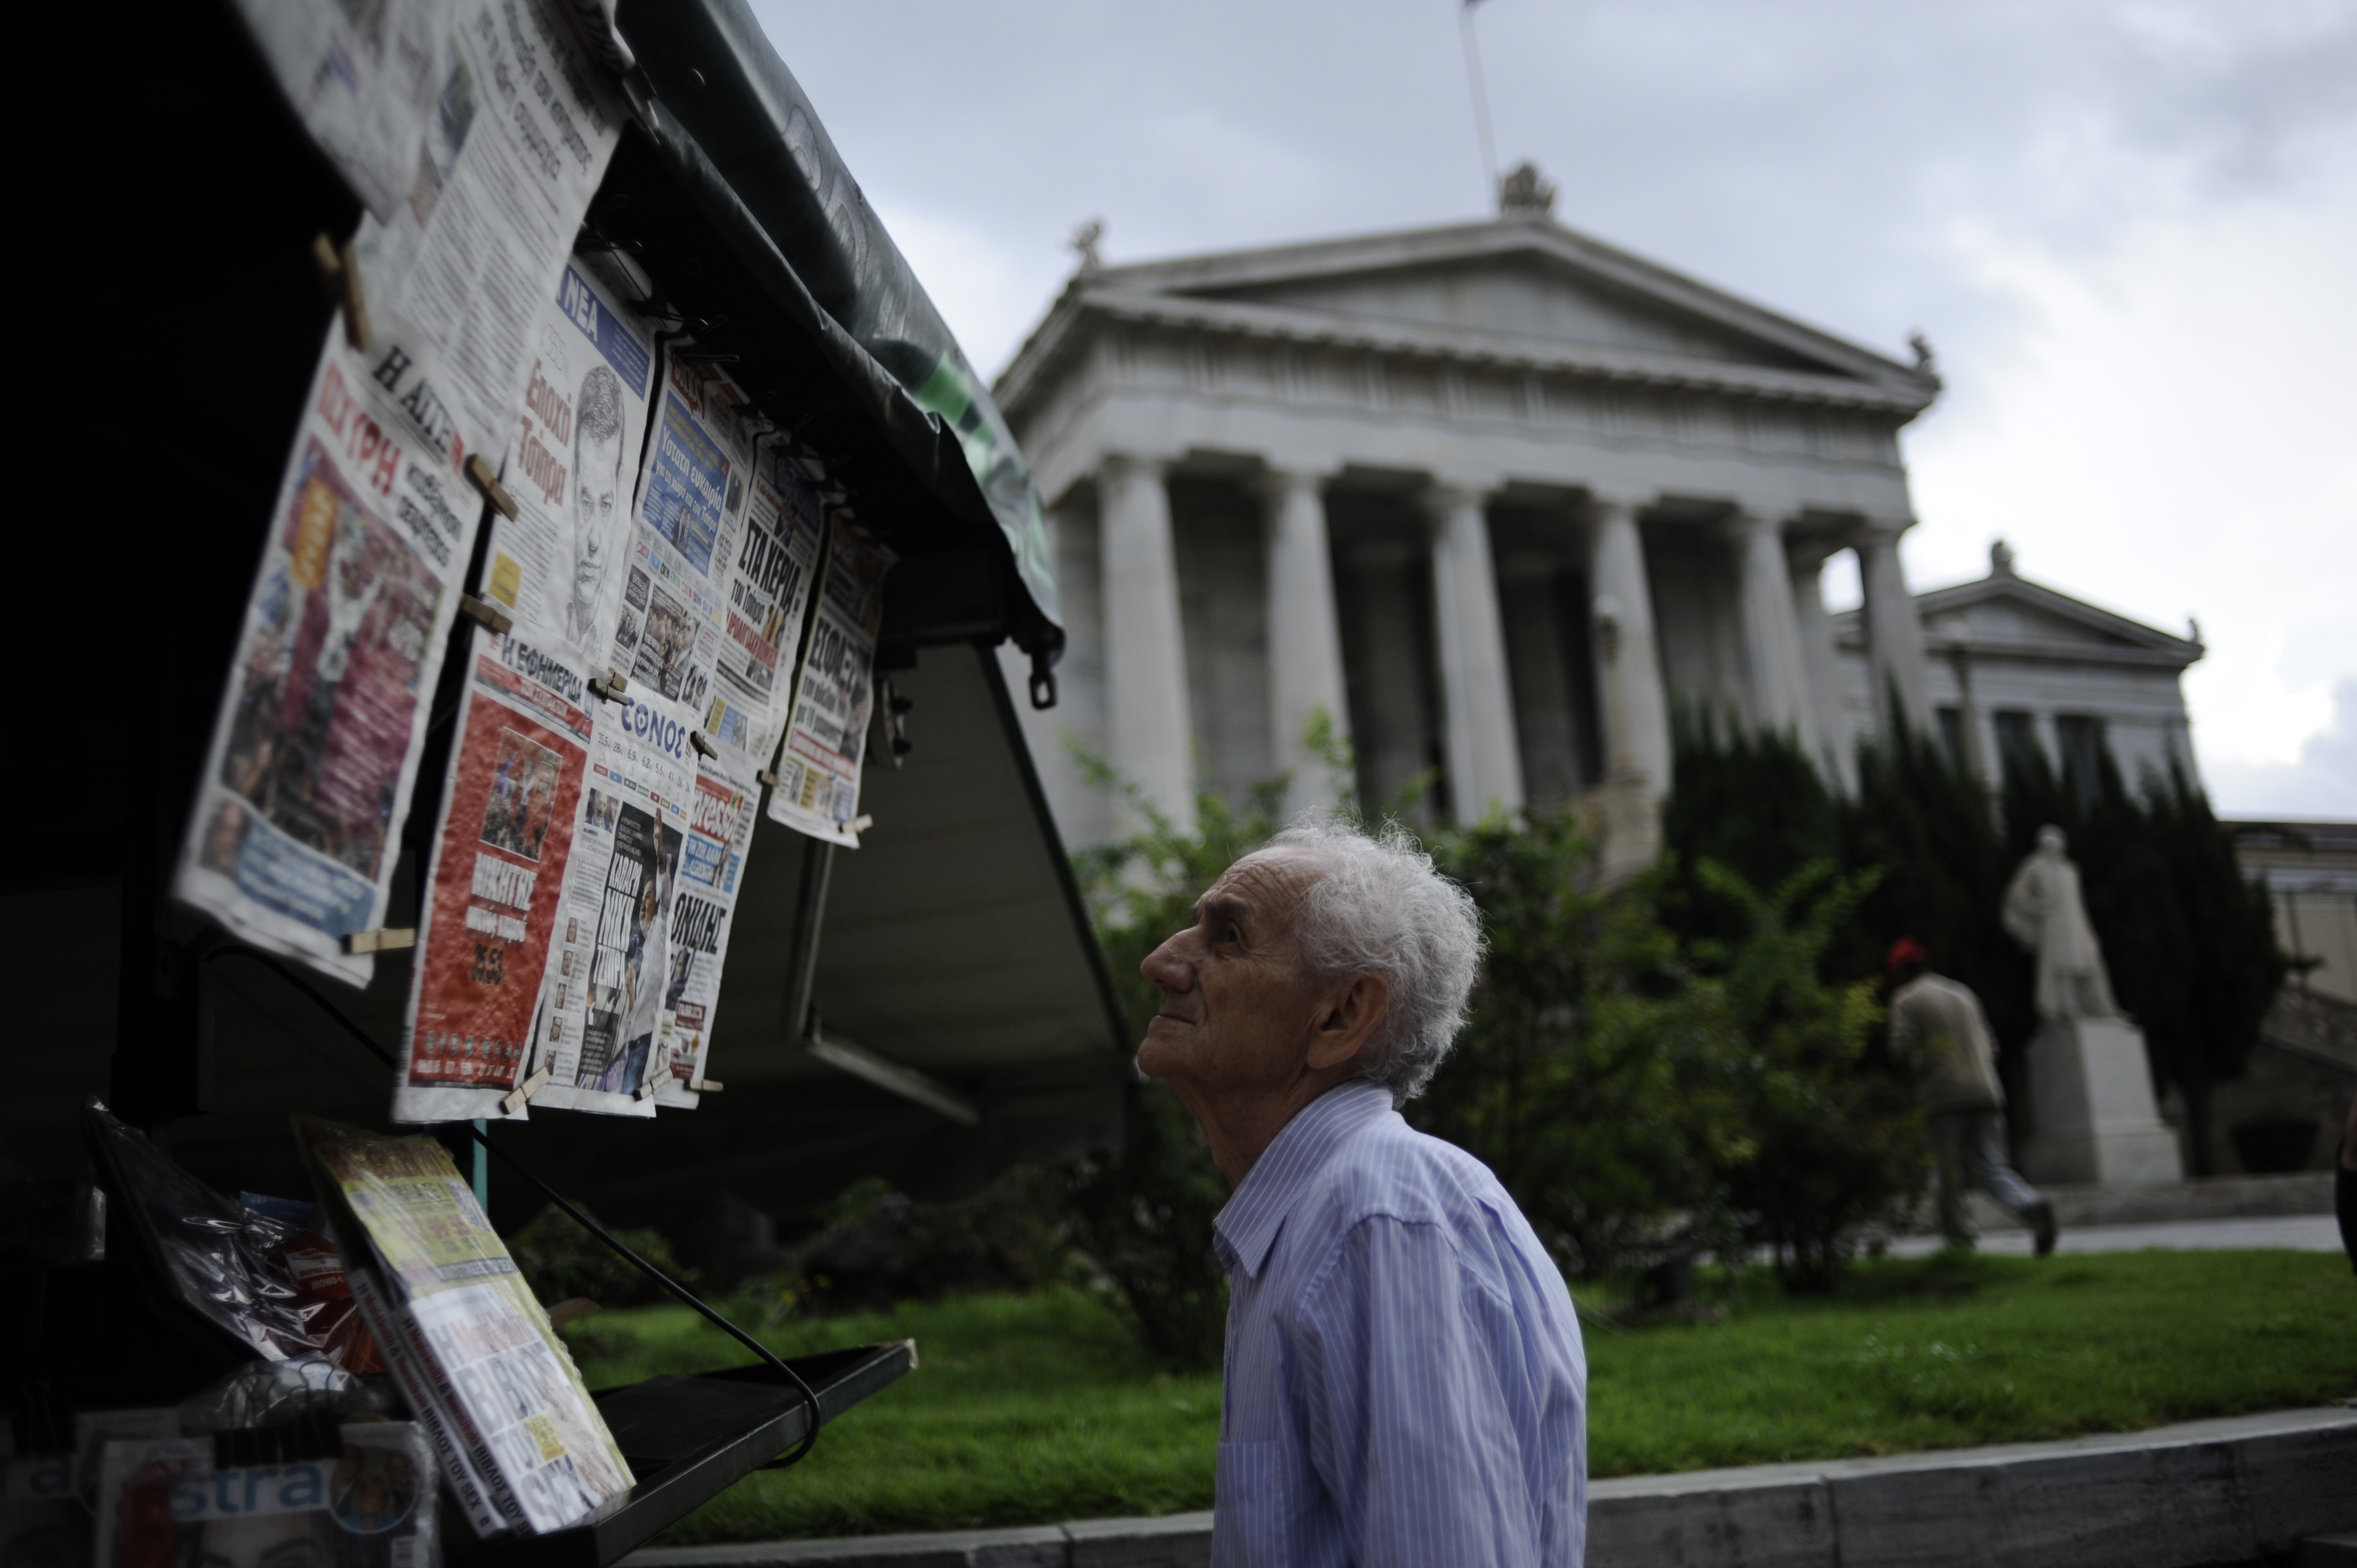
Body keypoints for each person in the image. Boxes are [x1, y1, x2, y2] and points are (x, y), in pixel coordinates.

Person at [1138, 819, 1586, 1567]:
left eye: (1228, 938)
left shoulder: (1379, 1215)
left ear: (1342, 1016)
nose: (1161, 964)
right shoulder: (1326, 1212)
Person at [1885, 938, 2058, 1256]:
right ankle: (2032, 1206)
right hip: (1988, 1092)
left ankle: (1959, 1243)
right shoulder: (1962, 993)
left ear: (1898, 973)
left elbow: (1901, 1051)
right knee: (1992, 1167)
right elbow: (1991, 1046)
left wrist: (1919, 1073)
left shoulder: (1906, 999)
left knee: (1946, 1173)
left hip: (1944, 1098)